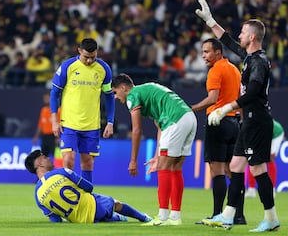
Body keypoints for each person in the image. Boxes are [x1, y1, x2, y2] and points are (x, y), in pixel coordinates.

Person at [195, 0, 280, 232]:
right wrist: (211, 21)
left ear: (252, 37)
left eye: (243, 32)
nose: (239, 36)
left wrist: (225, 108)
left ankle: (271, 218)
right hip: (247, 121)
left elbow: (253, 92)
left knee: (257, 169)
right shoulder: (251, 58)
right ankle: (228, 216)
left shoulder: (259, 62)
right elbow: (228, 42)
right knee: (235, 165)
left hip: (257, 120)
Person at [111, 73, 197, 226]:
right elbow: (160, 127)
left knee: (164, 168)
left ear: (123, 88)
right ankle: (175, 217)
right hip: (189, 118)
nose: (116, 98)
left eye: (116, 92)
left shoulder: (133, 95)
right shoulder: (148, 92)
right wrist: (157, 155)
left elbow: (136, 130)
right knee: (176, 168)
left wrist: (133, 161)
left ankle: (162, 217)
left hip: (175, 120)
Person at [191, 38, 246, 224]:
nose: (204, 56)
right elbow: (240, 99)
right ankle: (239, 215)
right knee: (234, 172)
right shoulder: (234, 70)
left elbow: (212, 99)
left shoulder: (216, 70)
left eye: (207, 52)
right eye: (203, 52)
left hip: (218, 123)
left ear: (218, 52)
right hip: (234, 122)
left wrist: (193, 108)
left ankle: (217, 215)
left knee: (217, 171)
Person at [24, 149, 152, 223]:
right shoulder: (62, 172)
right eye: (45, 158)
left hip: (79, 221)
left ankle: (115, 218)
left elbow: (55, 219)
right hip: (95, 206)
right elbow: (89, 187)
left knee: (97, 217)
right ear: (40, 164)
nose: (49, 159)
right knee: (115, 203)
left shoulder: (37, 195)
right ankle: (144, 217)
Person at [50, 38, 115, 183]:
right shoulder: (68, 66)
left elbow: (109, 96)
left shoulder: (104, 69)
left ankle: (86, 199)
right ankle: (68, 196)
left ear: (97, 52)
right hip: (69, 123)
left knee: (87, 163)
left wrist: (110, 122)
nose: (89, 61)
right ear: (79, 51)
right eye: (86, 57)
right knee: (68, 161)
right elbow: (54, 93)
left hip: (91, 125)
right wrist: (54, 120)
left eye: (93, 57)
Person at [245, 119, 285, 198]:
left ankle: (272, 189)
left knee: (270, 159)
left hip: (276, 134)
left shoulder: (261, 122)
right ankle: (251, 190)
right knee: (252, 159)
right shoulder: (248, 123)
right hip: (262, 135)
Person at [32, 93, 60, 161]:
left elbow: (60, 124)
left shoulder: (58, 110)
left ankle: (59, 170)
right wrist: (36, 136)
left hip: (53, 136)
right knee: (43, 157)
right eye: (44, 98)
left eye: (47, 98)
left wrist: (58, 137)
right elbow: (40, 125)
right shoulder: (43, 110)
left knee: (57, 157)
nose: (45, 100)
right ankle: (44, 171)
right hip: (45, 137)